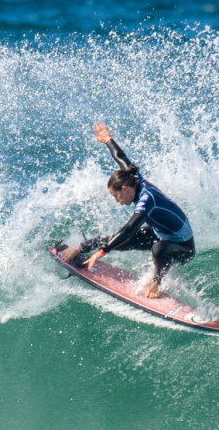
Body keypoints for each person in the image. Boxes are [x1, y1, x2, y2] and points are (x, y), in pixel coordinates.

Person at [59, 122, 195, 298]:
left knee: (158, 249)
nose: (117, 201)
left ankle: (157, 283)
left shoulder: (147, 200)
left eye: (116, 196)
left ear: (124, 189)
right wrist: (108, 139)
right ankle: (80, 249)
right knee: (115, 240)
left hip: (183, 247)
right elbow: (120, 157)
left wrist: (101, 253)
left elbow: (129, 229)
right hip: (161, 233)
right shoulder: (133, 178)